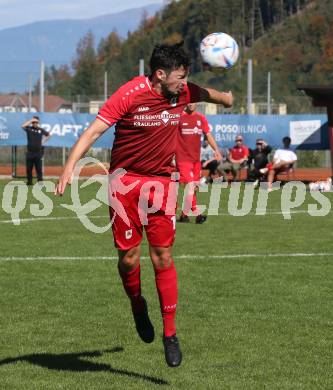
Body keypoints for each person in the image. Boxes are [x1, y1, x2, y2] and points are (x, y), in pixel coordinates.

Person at [55, 43, 233, 367]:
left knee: (162, 256)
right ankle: (137, 304)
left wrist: (227, 98)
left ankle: (170, 333)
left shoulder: (183, 92)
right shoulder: (130, 93)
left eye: (186, 78)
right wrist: (69, 166)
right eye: (180, 78)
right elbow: (94, 131)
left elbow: (209, 94)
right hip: (124, 184)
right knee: (128, 258)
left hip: (162, 183)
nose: (184, 84)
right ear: (160, 74)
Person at [176, 103, 221, 224]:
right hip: (182, 160)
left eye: (193, 101)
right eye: (189, 101)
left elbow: (208, 135)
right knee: (191, 186)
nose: (191, 104)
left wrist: (216, 150)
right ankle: (197, 215)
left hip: (196, 161)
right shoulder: (178, 117)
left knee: (193, 188)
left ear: (197, 103)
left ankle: (184, 215)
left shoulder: (201, 118)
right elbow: (169, 136)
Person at [21, 116, 50, 185]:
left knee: (39, 169)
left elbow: (48, 135)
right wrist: (31, 120)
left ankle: (40, 182)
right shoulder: (29, 129)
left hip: (38, 153)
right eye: (34, 122)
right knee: (29, 169)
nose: (35, 123)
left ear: (38, 122)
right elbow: (22, 126)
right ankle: (29, 182)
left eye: (36, 122)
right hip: (30, 152)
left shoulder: (41, 130)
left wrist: (43, 141)